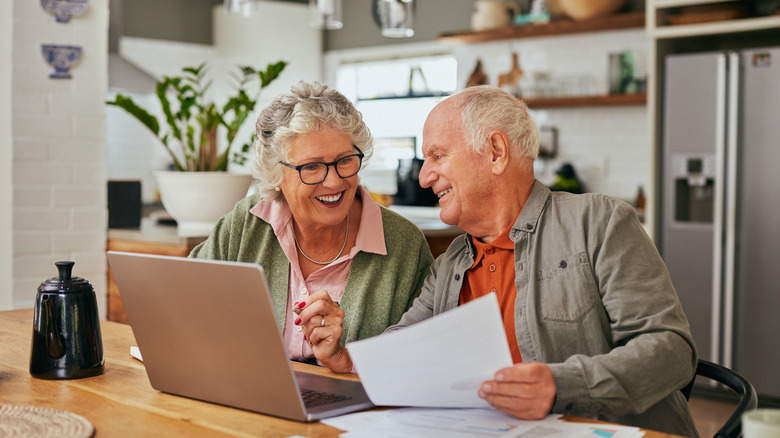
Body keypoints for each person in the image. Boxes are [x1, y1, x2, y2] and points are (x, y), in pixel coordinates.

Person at [386, 86, 699, 436]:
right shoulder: (451, 262)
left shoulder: (598, 222)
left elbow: (670, 351)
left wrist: (558, 386)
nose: (424, 176)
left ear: (495, 152)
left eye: (437, 156)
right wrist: (346, 358)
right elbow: (400, 347)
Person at [190, 81, 434, 373]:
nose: (333, 182)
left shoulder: (404, 244)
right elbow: (185, 303)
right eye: (312, 167)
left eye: (345, 160)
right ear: (275, 173)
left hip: (357, 412)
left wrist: (345, 358)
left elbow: (424, 359)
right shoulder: (247, 222)